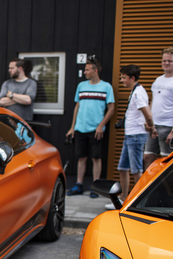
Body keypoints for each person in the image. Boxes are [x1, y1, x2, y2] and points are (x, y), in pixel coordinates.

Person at [105, 65, 154, 209]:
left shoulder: (138, 93)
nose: (121, 80)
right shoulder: (135, 91)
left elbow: (148, 114)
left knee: (136, 170)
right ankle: (123, 199)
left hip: (136, 136)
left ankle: (140, 202)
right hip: (130, 135)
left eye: (123, 78)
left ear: (132, 78)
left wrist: (150, 126)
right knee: (122, 167)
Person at [65, 57, 115, 198]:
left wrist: (101, 126)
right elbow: (77, 106)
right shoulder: (81, 86)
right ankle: (79, 185)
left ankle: (95, 187)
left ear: (95, 70)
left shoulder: (106, 87)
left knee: (96, 158)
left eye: (87, 70)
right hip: (80, 128)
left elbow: (111, 109)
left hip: (96, 129)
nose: (84, 72)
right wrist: (72, 127)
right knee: (81, 157)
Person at [144, 46, 173, 169]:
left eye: (170, 61)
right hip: (154, 126)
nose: (166, 63)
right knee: (147, 157)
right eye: (164, 60)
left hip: (168, 127)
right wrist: (148, 120)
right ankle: (150, 188)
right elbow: (153, 102)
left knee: (166, 162)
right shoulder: (157, 80)